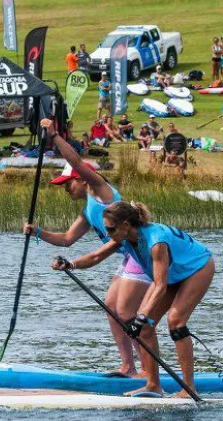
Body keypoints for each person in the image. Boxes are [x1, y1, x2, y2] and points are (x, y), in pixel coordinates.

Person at [27, 118, 153, 377]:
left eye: (68, 183)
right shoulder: (87, 210)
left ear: (82, 180)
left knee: (127, 313)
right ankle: (128, 367)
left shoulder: (100, 190)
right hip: (129, 257)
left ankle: (149, 372)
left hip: (142, 254)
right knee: (111, 307)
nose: (65, 189)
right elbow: (66, 239)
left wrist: (54, 136)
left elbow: (75, 162)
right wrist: (37, 231)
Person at [52, 201, 215, 399]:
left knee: (176, 321)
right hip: (175, 273)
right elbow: (95, 257)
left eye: (111, 229)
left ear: (126, 226)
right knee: (145, 327)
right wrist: (70, 264)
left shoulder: (156, 242)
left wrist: (141, 316)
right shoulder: (124, 237)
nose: (108, 234)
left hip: (197, 268)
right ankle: (153, 385)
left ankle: (188, 389)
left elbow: (160, 285)